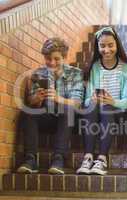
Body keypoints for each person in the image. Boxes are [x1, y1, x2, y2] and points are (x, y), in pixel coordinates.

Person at [17, 37, 84, 174]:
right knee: (28, 111)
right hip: (47, 117)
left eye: (56, 59)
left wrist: (58, 98)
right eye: (48, 59)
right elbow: (31, 102)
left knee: (68, 109)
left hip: (67, 120)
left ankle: (58, 159)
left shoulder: (75, 73)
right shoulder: (38, 73)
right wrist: (36, 99)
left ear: (64, 57)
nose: (52, 63)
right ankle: (30, 159)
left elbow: (77, 102)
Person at [76, 26, 127, 175]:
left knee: (106, 107)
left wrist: (111, 101)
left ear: (117, 45)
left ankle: (101, 158)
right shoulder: (94, 67)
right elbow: (87, 99)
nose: (106, 50)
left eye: (110, 45)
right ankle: (88, 156)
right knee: (93, 104)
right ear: (97, 47)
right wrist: (93, 98)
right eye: (102, 46)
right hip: (96, 110)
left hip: (118, 113)